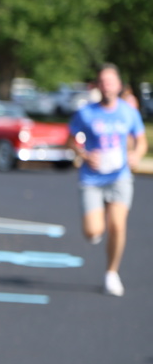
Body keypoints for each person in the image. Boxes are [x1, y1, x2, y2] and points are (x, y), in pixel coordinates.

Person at [67, 63, 148, 296]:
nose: (107, 86)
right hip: (92, 179)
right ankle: (96, 220)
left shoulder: (128, 112)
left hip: (119, 177)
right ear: (98, 86)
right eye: (103, 82)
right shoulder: (86, 113)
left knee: (118, 225)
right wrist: (84, 154)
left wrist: (136, 154)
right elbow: (71, 140)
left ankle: (111, 273)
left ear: (119, 85)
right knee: (93, 231)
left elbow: (141, 141)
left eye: (111, 82)